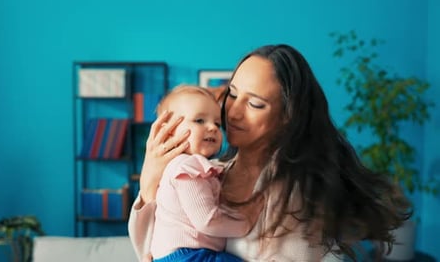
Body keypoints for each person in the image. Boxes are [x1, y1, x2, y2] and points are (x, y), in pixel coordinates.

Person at [128, 44, 411, 261]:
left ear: (287, 115)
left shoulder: (292, 190)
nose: (234, 112)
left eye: (256, 104)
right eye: (234, 95)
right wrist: (150, 184)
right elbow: (153, 252)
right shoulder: (211, 172)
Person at [148, 85, 262, 262]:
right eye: (199, 120)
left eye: (217, 123)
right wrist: (246, 223)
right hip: (187, 255)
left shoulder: (197, 167)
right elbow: (207, 221)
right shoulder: (186, 166)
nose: (212, 128)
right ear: (169, 130)